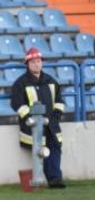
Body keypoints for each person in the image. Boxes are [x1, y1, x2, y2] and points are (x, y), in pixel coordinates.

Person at [11, 48, 66, 189]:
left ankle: (55, 180)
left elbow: (60, 101)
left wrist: (56, 116)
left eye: (38, 61)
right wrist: (30, 119)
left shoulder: (51, 81)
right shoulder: (20, 83)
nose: (36, 64)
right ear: (27, 64)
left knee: (55, 148)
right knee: (41, 151)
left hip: (51, 125)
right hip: (32, 127)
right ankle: (49, 179)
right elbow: (16, 104)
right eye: (33, 62)